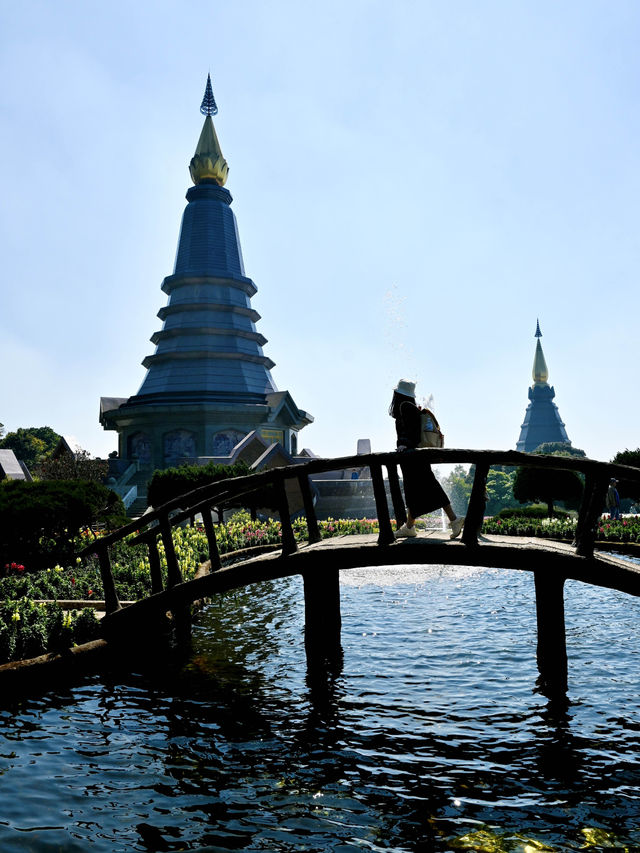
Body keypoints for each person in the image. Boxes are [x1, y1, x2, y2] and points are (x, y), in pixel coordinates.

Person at [390, 379, 464, 539]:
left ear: (398, 394)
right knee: (418, 490)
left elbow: (412, 432)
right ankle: (410, 526)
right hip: (415, 456)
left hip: (412, 457)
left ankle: (454, 519)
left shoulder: (405, 407)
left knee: (426, 488)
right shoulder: (411, 407)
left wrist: (404, 444)